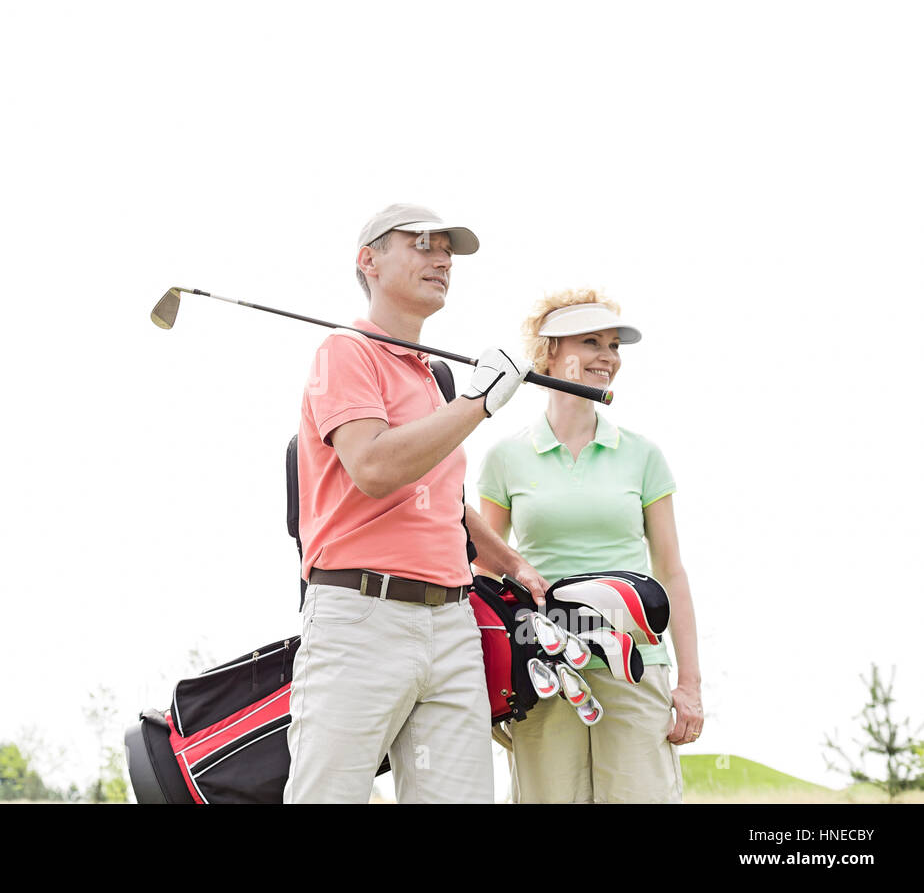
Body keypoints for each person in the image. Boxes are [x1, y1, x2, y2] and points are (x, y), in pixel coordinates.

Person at [284, 203, 549, 804]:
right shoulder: (345, 353)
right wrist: (478, 404)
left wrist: (508, 562)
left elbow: (443, 501)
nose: (442, 259)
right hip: (360, 616)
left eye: (447, 250)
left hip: (452, 621)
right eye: (423, 244)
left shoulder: (436, 378)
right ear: (368, 261)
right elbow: (375, 467)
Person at [476, 290, 704, 803]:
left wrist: (689, 684)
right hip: (543, 665)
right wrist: (490, 678)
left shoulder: (643, 456)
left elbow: (672, 573)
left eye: (614, 345)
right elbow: (484, 574)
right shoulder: (506, 457)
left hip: (635, 661)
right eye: (591, 342)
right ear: (550, 352)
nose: (608, 356)